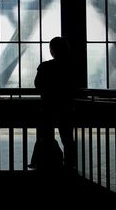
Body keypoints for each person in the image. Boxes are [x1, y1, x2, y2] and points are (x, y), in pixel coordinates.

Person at [29, 36, 76, 170]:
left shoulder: (45, 66)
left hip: (48, 107)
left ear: (52, 50)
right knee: (67, 137)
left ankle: (44, 161)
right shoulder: (70, 67)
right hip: (65, 107)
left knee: (45, 135)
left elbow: (38, 85)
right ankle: (69, 163)